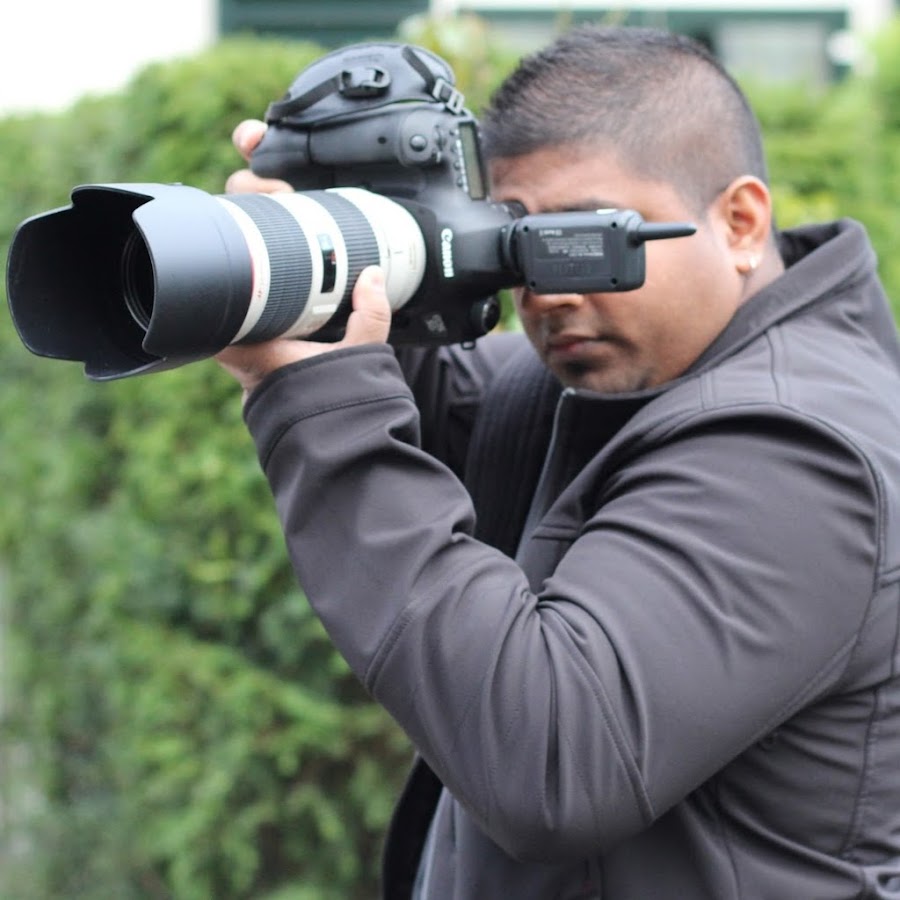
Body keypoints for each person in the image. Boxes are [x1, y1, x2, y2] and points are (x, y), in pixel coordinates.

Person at [217, 24, 900, 900]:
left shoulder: (797, 454)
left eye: (589, 241)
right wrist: (335, 246)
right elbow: (452, 414)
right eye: (520, 245)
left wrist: (314, 402)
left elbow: (551, 760)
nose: (549, 293)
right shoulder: (637, 377)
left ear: (740, 222)